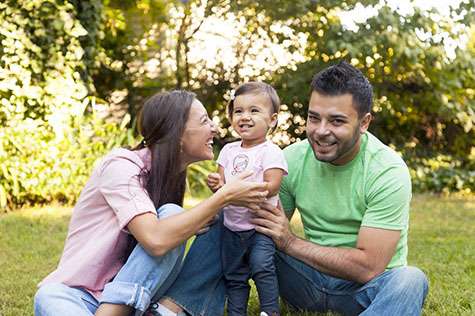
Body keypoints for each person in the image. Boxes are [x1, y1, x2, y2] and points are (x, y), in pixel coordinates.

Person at [156, 61, 428, 316]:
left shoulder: (387, 170)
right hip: (304, 281)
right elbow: (259, 225)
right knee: (228, 214)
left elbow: (369, 267)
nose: (321, 131)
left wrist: (290, 242)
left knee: (410, 280)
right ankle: (175, 307)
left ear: (364, 122)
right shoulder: (292, 158)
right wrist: (219, 204)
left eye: (336, 121)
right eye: (313, 118)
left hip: (362, 292)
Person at [33, 90, 269, 316]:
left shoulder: (171, 177)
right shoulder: (121, 166)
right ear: (177, 134)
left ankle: (170, 308)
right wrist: (223, 196)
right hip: (83, 296)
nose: (215, 129)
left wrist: (222, 206)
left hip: (146, 298)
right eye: (205, 121)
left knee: (218, 220)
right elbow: (155, 239)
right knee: (49, 295)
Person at [207, 82, 287, 316]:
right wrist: (216, 185)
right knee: (234, 275)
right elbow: (222, 190)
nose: (245, 117)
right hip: (232, 228)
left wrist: (238, 191)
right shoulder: (228, 151)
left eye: (254, 111)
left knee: (262, 266)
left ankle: (270, 311)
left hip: (260, 226)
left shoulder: (270, 151)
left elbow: (272, 186)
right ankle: (236, 312)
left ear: (272, 120)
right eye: (238, 111)